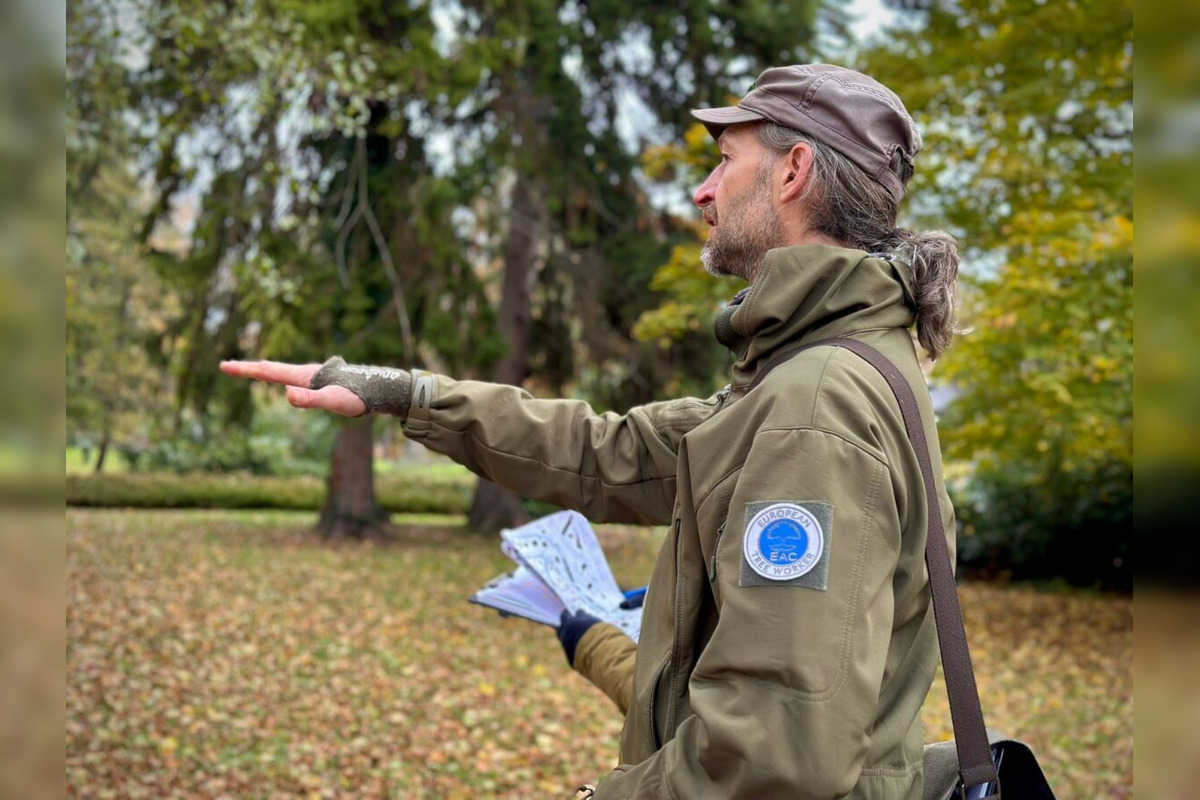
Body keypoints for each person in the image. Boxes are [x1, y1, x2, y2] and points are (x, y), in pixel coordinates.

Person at [222, 63, 960, 799]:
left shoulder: (814, 403)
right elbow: (610, 453)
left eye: (725, 161)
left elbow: (772, 754)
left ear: (794, 170)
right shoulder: (818, 373)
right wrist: (405, 394)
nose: (703, 191)